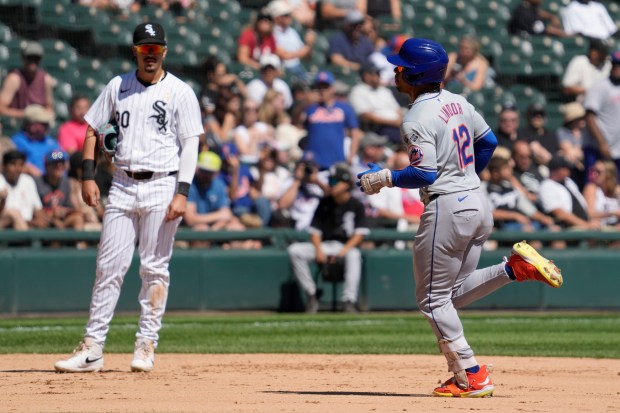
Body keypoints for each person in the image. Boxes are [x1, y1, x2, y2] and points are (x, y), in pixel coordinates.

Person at [357, 37, 564, 397]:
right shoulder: (459, 102)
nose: (395, 72)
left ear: (417, 75)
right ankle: (514, 269)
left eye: (401, 68)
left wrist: (384, 178)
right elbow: (488, 142)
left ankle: (470, 372)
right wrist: (466, 177)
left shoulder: (416, 117)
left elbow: (424, 174)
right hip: (477, 203)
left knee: (431, 301)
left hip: (448, 208)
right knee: (450, 295)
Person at [54, 22, 203, 373]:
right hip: (121, 183)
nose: (149, 55)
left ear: (164, 52)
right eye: (143, 49)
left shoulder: (180, 91)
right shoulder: (117, 85)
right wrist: (87, 176)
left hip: (162, 184)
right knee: (108, 267)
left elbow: (191, 143)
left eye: (155, 49)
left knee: (154, 269)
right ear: (134, 51)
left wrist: (182, 191)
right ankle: (92, 349)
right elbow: (93, 127)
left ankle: (146, 344)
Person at [288, 162, 368, 313]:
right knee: (295, 251)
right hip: (325, 246)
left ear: (345, 184)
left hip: (345, 247)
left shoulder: (356, 205)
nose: (331, 185)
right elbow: (315, 232)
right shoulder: (324, 203)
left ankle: (348, 301)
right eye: (330, 181)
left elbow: (359, 235)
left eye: (334, 182)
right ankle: (312, 294)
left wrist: (342, 252)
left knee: (354, 255)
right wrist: (318, 250)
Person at [302, 70, 362, 170]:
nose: (322, 90)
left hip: (336, 160)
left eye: (325, 87)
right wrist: (304, 103)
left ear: (332, 88)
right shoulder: (310, 107)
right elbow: (296, 122)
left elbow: (355, 133)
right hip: (313, 161)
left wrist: (351, 156)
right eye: (319, 87)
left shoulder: (344, 107)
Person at [583, 50, 620, 182]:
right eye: (615, 64)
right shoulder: (600, 87)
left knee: (615, 190)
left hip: (617, 150)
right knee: (594, 185)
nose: (617, 68)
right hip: (597, 150)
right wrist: (602, 144)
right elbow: (590, 118)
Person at [538, 155, 600, 230]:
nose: (569, 170)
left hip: (585, 225)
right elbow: (559, 213)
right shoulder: (546, 186)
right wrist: (585, 225)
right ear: (557, 169)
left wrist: (590, 222)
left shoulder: (568, 182)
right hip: (566, 228)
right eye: (566, 168)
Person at [349, 61, 403, 145]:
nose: (379, 76)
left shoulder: (385, 90)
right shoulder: (358, 91)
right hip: (378, 128)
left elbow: (398, 110)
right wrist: (394, 123)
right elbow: (366, 116)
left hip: (397, 125)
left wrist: (401, 122)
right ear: (366, 76)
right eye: (376, 73)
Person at [0, 41, 55, 120]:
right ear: (23, 59)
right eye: (29, 58)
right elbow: (1, 109)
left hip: (39, 124)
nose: (33, 62)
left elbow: (49, 107)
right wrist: (25, 114)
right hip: (17, 124)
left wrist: (40, 115)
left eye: (36, 58)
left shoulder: (46, 79)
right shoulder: (14, 79)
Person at [35, 150, 85, 230]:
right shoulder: (37, 182)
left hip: (61, 221)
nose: (59, 166)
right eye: (55, 163)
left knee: (77, 218)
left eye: (62, 162)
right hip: (44, 221)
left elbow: (76, 210)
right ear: (47, 166)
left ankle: (79, 243)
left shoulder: (67, 182)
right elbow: (34, 209)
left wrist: (64, 211)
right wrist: (52, 213)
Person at [0, 150, 47, 230]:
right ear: (4, 166)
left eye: (21, 165)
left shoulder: (28, 180)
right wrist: (2, 200)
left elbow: (38, 208)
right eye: (13, 164)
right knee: (13, 213)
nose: (17, 168)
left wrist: (39, 220)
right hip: (5, 228)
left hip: (27, 225)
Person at [269, 0, 315, 80]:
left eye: (289, 14)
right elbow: (285, 56)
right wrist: (307, 47)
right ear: (276, 17)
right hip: (284, 70)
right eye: (286, 15)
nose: (290, 17)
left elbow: (307, 56)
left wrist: (309, 44)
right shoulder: (272, 33)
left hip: (299, 67)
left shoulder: (292, 31)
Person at [11, 104, 60, 177]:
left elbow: (60, 156)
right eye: (44, 124)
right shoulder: (17, 142)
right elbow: (18, 164)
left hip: (54, 180)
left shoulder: (49, 141)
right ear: (32, 126)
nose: (47, 126)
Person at [562, 38, 611, 103]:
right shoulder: (579, 61)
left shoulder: (608, 65)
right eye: (601, 52)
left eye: (605, 53)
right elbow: (566, 88)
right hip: (580, 104)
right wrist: (589, 91)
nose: (604, 55)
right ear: (593, 52)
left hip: (605, 104)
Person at [582, 160, 620, 229]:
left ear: (609, 174)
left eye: (598, 172)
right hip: (599, 228)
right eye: (593, 170)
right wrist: (612, 213)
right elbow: (590, 214)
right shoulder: (591, 188)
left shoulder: (617, 189)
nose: (594, 174)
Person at [519, 102, 559, 167]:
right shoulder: (522, 133)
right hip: (530, 168)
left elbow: (554, 155)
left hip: (550, 167)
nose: (538, 117)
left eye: (541, 114)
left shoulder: (551, 134)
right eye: (534, 114)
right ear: (529, 116)